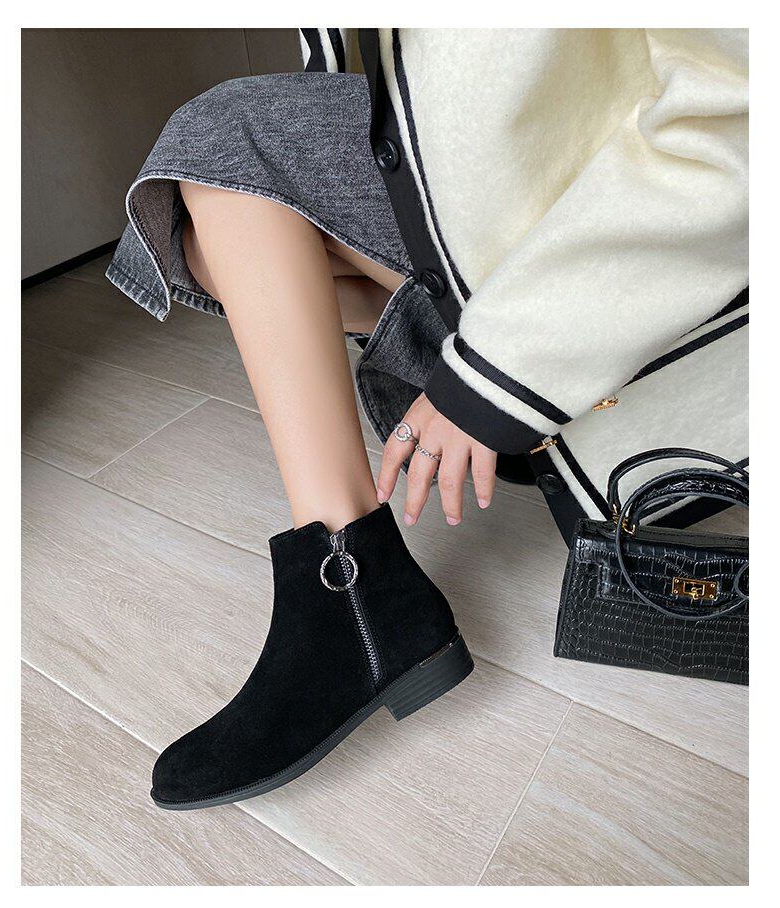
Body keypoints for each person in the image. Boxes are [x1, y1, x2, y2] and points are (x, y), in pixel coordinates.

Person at [107, 28, 748, 810]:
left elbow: (742, 115)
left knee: (226, 143)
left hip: (627, 225)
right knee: (218, 233)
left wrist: (495, 376)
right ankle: (360, 584)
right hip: (476, 160)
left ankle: (351, 580)